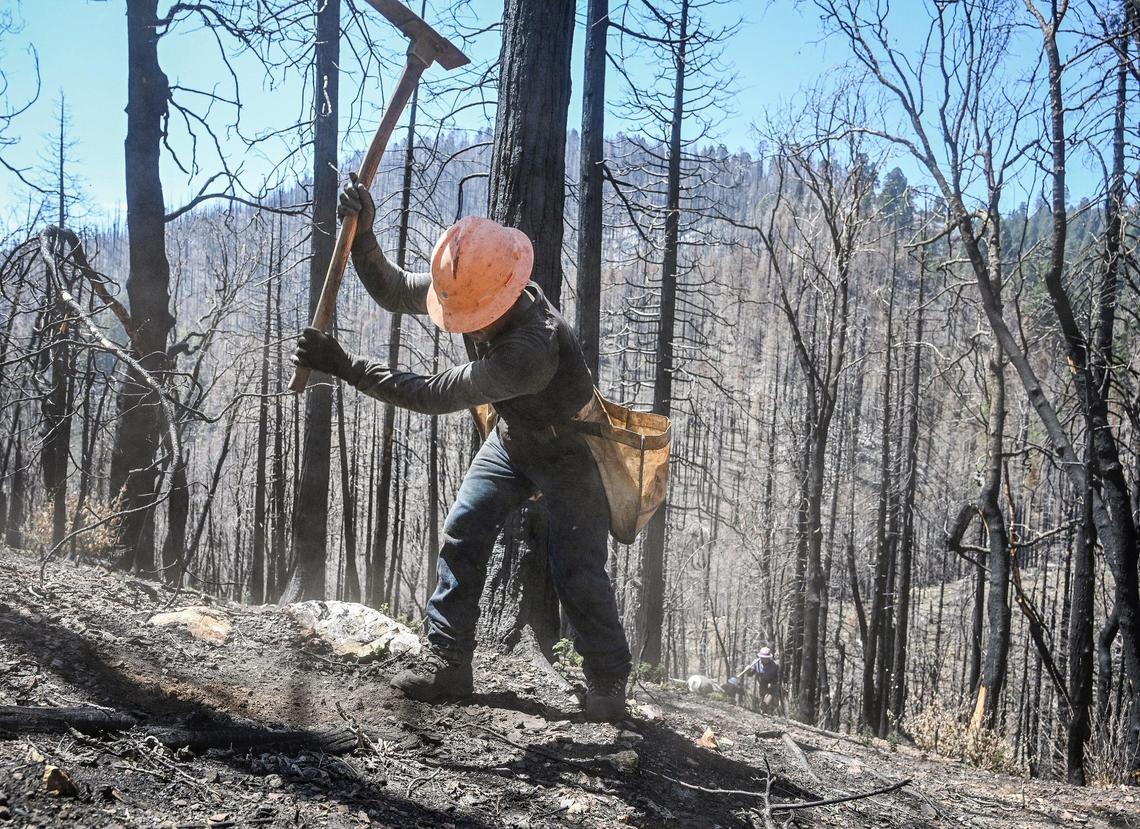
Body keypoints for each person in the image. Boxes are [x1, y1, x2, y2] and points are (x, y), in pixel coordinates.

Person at [291, 176, 632, 722]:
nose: (462, 323)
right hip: (515, 441)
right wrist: (364, 238)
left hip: (574, 455)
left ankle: (608, 683)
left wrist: (345, 366)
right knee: (464, 530)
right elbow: (395, 289)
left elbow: (434, 394)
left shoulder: (531, 348)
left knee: (578, 569)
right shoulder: (478, 283)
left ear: (500, 297)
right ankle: (449, 662)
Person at [742, 647, 782, 713]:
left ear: (769, 657)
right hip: (761, 683)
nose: (765, 659)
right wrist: (748, 670)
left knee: (768, 699)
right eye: (763, 658)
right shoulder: (756, 663)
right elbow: (750, 674)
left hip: (771, 685)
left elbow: (776, 678)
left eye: (766, 658)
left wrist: (772, 684)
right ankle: (761, 712)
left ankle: (766, 711)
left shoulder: (774, 666)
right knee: (761, 699)